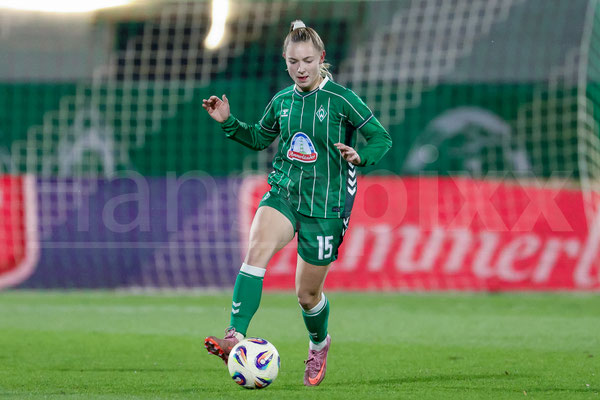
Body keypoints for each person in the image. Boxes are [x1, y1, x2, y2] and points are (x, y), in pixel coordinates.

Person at [202, 20, 392, 386]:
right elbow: (260, 138)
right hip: (285, 192)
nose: (300, 69)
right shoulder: (282, 101)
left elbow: (381, 138)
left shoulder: (341, 99)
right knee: (256, 250)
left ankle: (319, 343)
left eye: (307, 60)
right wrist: (229, 122)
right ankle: (235, 335)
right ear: (285, 61)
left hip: (326, 206)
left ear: (321, 58)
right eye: (293, 61)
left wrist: (361, 156)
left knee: (307, 296)